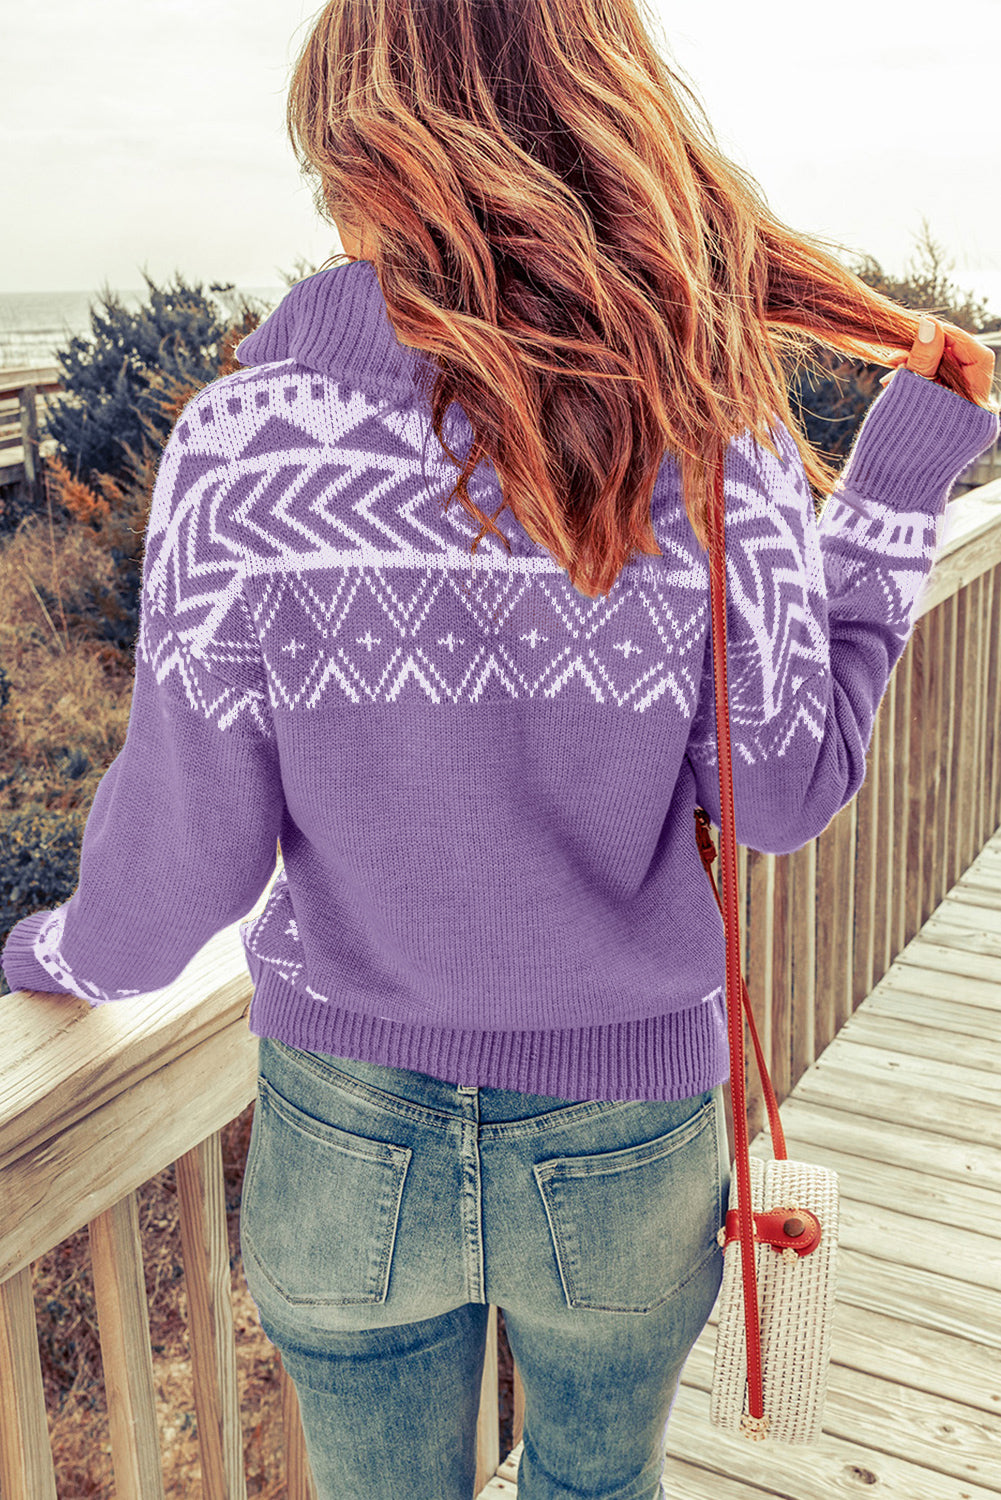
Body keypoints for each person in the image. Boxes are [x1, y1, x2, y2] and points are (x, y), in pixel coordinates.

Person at [2, 2, 997, 1497]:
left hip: (349, 1124)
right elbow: (784, 788)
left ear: (365, 153)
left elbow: (175, 880)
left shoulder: (241, 446)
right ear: (602, 125)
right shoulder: (703, 434)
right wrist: (892, 495)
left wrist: (56, 952)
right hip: (626, 1130)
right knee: (594, 1485)